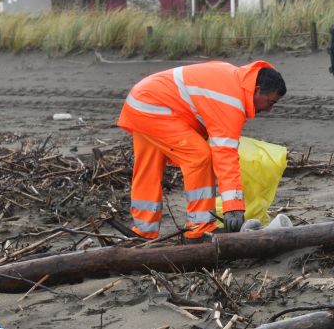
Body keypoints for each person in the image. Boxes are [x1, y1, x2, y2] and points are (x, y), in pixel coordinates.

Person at [118, 60, 285, 240]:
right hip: (155, 106)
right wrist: (233, 206)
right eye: (270, 102)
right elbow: (224, 155)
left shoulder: (235, 79)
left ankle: (144, 232)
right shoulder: (231, 101)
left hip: (142, 101)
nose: (269, 109)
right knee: (199, 157)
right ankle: (198, 230)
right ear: (258, 89)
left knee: (148, 168)